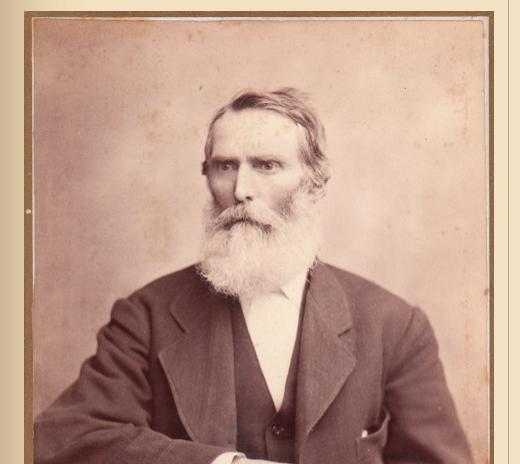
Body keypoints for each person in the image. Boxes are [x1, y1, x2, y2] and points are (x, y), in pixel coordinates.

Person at [34, 88, 474, 464]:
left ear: (315, 184)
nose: (241, 189)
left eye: (266, 165)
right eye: (225, 166)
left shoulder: (394, 326)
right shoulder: (146, 316)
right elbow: (67, 438)